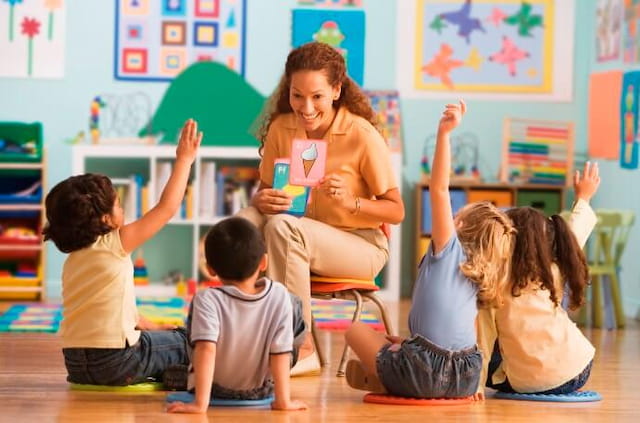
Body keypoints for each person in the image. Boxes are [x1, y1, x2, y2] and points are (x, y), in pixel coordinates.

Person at [237, 41, 404, 374]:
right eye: (297, 95)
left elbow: (396, 211)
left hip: (360, 245)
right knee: (241, 225)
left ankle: (302, 348)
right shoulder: (281, 129)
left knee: (283, 227)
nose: (306, 107)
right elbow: (266, 190)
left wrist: (352, 202)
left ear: (336, 90)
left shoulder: (361, 135)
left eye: (317, 96)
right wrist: (260, 200)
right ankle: (236, 336)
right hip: (295, 239)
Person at [344, 100, 515, 399]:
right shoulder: (481, 270)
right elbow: (468, 332)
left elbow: (438, 188)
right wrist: (474, 385)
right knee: (394, 341)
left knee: (354, 330)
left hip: (424, 367)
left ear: (459, 226)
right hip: (466, 374)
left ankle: (387, 380)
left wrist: (444, 134)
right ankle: (394, 367)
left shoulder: (448, 248)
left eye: (456, 215)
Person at [43, 119, 202, 387]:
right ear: (105, 219)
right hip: (118, 362)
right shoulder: (115, 243)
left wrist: (150, 326)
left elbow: (108, 308)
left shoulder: (73, 262)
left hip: (76, 364)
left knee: (161, 340)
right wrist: (184, 160)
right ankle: (196, 374)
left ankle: (171, 372)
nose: (123, 208)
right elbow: (166, 208)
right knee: (190, 339)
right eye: (118, 204)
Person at [476, 162, 600, 395]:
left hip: (529, 382)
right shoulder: (553, 267)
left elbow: (483, 341)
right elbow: (575, 231)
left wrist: (477, 386)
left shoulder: (493, 283)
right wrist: (583, 196)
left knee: (492, 350)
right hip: (577, 369)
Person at [167, 217, 308, 414]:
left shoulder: (206, 299)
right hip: (260, 391)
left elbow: (206, 349)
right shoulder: (279, 295)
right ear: (264, 262)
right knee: (294, 306)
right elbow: (281, 352)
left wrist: (200, 404)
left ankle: (184, 375)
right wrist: (283, 401)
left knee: (195, 339)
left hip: (215, 391)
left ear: (210, 269)